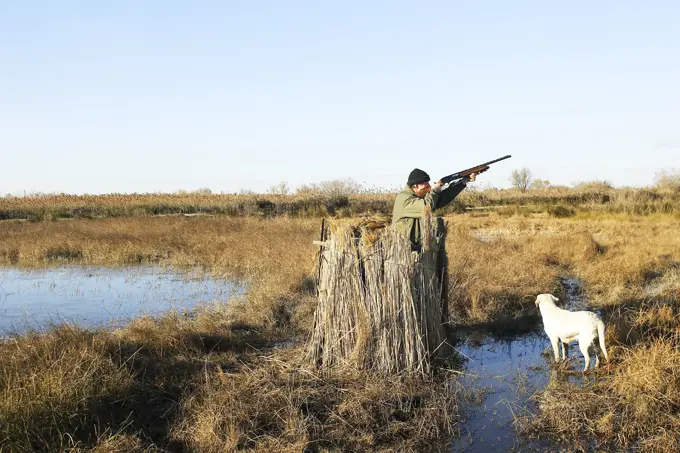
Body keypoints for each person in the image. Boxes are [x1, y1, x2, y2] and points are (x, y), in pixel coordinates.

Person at [391, 168, 477, 250]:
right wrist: (434, 190)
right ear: (416, 186)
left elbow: (440, 200)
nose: (429, 185)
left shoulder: (417, 196)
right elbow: (427, 207)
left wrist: (463, 182)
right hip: (404, 249)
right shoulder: (405, 199)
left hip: (414, 247)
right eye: (426, 183)